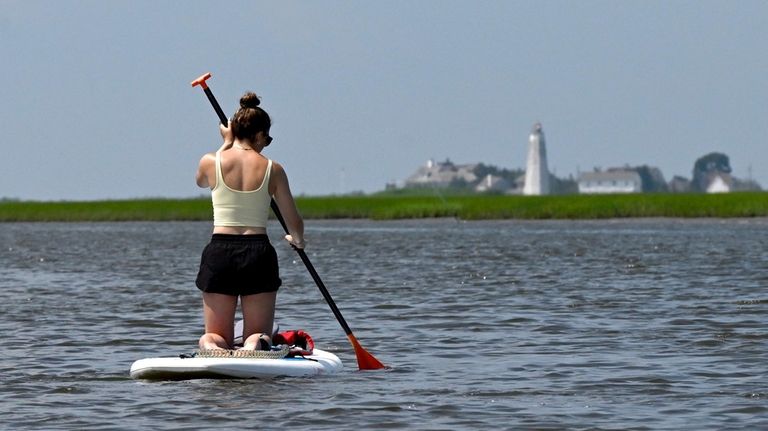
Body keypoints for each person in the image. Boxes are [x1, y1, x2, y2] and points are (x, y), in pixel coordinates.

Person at [194, 92, 304, 351]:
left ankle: (211, 347)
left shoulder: (211, 161)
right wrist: (297, 240)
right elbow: (294, 221)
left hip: (219, 252)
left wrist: (225, 145)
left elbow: (200, 181)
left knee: (214, 335)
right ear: (258, 135)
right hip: (258, 253)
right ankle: (255, 345)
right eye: (267, 137)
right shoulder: (273, 168)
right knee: (257, 333)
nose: (267, 143)